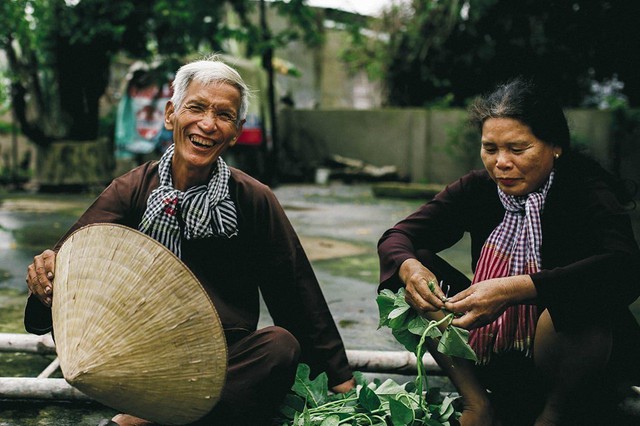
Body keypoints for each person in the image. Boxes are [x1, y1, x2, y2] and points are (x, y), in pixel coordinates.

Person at [25, 56, 355, 426]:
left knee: (280, 347)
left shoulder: (253, 199)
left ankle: (142, 422)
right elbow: (73, 256)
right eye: (196, 108)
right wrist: (47, 270)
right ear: (170, 115)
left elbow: (295, 293)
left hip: (222, 362)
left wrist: (341, 383)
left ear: (236, 131)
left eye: (224, 115)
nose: (207, 124)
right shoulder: (132, 190)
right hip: (140, 356)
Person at [377, 77, 640, 426]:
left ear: (554, 146)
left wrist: (516, 290)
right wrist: (410, 268)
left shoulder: (586, 191)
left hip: (577, 363)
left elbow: (625, 267)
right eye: (490, 149)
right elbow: (398, 237)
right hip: (498, 353)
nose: (501, 163)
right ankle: (478, 404)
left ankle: (554, 413)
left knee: (582, 299)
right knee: (408, 273)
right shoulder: (478, 189)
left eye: (518, 150)